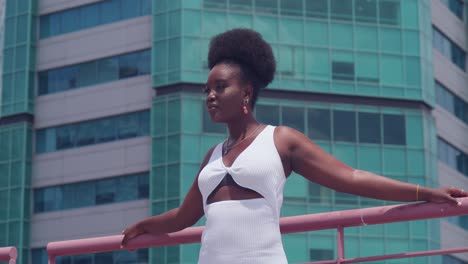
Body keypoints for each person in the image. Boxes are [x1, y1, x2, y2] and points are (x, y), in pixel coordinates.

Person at [121, 28, 466, 263]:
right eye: (206, 90)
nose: (210, 96)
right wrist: (142, 226)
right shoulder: (211, 156)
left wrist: (425, 192)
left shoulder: (280, 139)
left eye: (220, 87)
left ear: (246, 92)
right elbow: (184, 217)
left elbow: (351, 177)